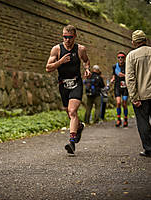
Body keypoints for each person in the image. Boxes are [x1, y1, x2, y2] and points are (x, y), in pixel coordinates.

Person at [46, 25, 90, 154]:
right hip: (63, 84)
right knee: (68, 112)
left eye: (70, 37)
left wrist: (87, 69)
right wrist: (61, 62)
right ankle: (79, 126)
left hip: (76, 83)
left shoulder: (80, 49)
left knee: (72, 111)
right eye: (65, 37)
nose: (67, 40)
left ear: (74, 37)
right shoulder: (56, 49)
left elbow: (86, 61)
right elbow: (48, 68)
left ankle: (72, 141)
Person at [126, 30, 151, 157]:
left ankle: (150, 149)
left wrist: (134, 97)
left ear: (133, 42)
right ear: (146, 40)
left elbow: (130, 78)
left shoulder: (131, 56)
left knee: (143, 122)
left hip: (141, 96)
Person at [111, 51, 129, 127]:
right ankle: (118, 119)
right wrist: (112, 79)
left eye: (122, 57)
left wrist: (124, 75)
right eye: (119, 57)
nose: (120, 59)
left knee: (124, 104)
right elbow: (114, 75)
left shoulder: (127, 66)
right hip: (117, 86)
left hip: (125, 87)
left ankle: (125, 119)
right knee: (118, 103)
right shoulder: (115, 66)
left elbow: (130, 76)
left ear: (124, 58)